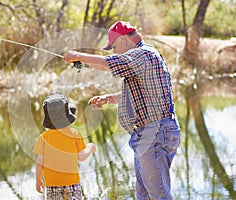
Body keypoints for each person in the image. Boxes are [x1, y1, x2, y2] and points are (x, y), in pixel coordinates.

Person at [63, 21, 180, 200]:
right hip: (150, 134)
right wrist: (108, 99)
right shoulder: (145, 56)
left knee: (159, 196)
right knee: (144, 195)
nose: (114, 51)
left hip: (153, 133)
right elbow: (141, 93)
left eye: (115, 46)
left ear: (124, 39)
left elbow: (109, 64)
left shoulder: (141, 54)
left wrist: (79, 56)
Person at [33, 93, 96, 200]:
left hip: (52, 184)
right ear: (67, 115)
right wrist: (90, 147)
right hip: (72, 183)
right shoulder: (75, 134)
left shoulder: (43, 138)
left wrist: (38, 180)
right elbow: (81, 157)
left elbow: (40, 161)